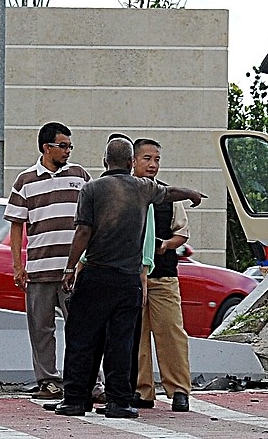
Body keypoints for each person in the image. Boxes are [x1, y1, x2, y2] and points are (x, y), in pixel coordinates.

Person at [51, 138, 204, 418]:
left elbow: (83, 232)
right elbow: (170, 192)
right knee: (122, 343)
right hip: (129, 279)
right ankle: (119, 402)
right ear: (131, 162)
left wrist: (70, 268)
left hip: (96, 274)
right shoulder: (143, 188)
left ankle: (75, 399)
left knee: (83, 340)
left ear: (104, 161)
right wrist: (192, 193)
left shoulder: (91, 189)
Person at [4, 122, 90, 401]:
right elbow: (16, 225)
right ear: (46, 147)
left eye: (69, 146)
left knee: (82, 328)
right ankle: (48, 381)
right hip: (40, 267)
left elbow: (92, 220)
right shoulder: (25, 180)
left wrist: (83, 261)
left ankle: (88, 382)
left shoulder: (80, 176)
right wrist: (18, 266)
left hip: (73, 270)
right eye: (62, 145)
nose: (67, 151)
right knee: (42, 329)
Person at [131, 138, 193, 413]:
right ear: (133, 161)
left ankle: (179, 390)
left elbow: (182, 232)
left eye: (156, 159)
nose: (152, 164)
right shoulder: (124, 191)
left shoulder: (169, 195)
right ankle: (141, 390)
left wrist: (167, 245)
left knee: (171, 334)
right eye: (147, 158)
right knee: (136, 336)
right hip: (130, 276)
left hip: (163, 276)